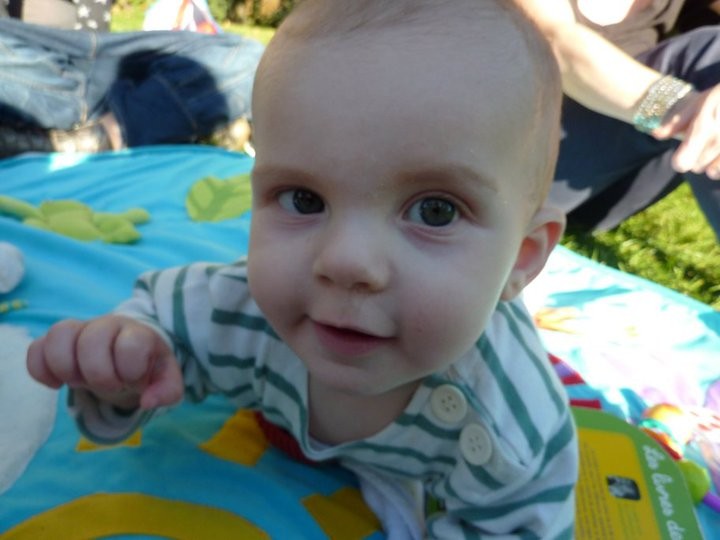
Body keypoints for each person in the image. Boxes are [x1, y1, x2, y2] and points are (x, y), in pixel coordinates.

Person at [26, 1, 578, 537]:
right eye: (303, 199)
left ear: (523, 258)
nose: (345, 261)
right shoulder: (239, 310)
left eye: (435, 211)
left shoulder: (516, 428)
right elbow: (159, 323)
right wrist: (127, 365)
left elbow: (521, 526)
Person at [515, 0, 720, 242]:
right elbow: (552, 43)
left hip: (602, 188)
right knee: (712, 50)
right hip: (516, 164)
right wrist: (680, 108)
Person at [0, 17, 263, 157]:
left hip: (95, 59)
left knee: (250, 58)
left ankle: (106, 134)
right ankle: (106, 135)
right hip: (50, 76)